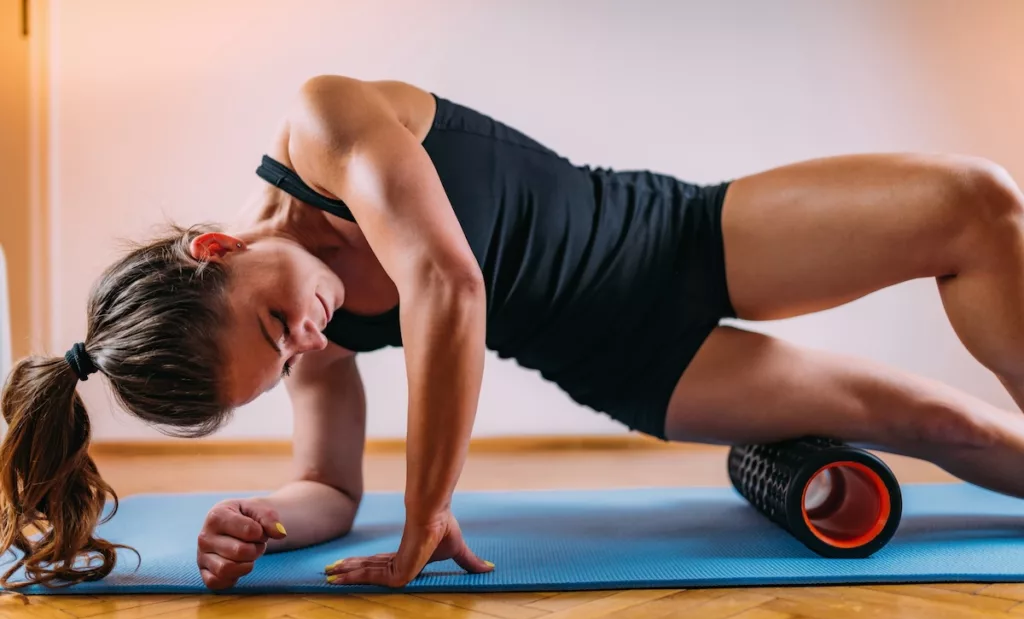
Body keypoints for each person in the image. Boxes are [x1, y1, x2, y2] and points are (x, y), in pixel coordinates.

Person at [3, 75, 1024, 591]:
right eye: (281, 363)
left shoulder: (324, 124)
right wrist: (263, 516)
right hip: (633, 363)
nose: (305, 343)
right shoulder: (325, 336)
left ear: (218, 246)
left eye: (276, 324)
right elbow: (331, 486)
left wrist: (430, 509)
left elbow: (448, 282)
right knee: (924, 416)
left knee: (974, 202)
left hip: (677, 235)